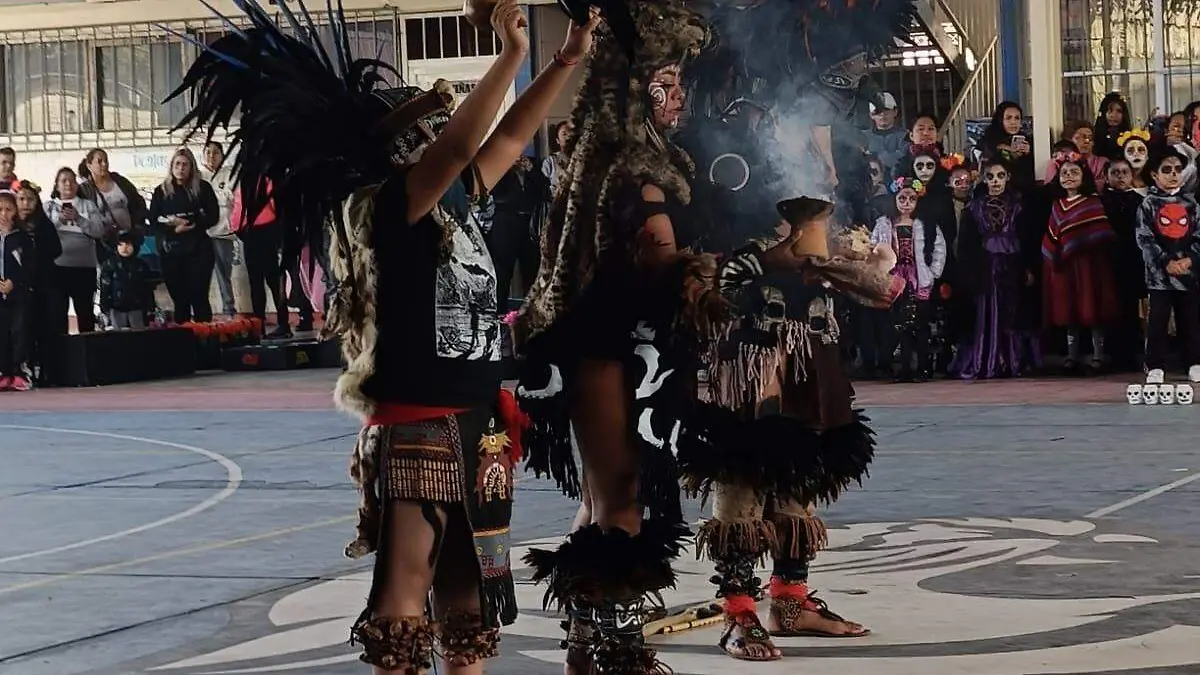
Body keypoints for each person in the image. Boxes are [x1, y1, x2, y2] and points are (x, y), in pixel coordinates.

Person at [168, 0, 600, 672]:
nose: (442, 133)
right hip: (421, 416)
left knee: (469, 596)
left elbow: (509, 138)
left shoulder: (454, 199)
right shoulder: (385, 205)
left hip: (481, 417)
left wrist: (563, 61)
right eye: (428, 126)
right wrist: (509, 53)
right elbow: (463, 144)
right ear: (403, 145)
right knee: (403, 602)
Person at [950, 160, 1039, 379]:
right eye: (991, 177)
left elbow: (1027, 238)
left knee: (1012, 312)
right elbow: (966, 244)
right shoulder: (973, 208)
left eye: (1000, 176)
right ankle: (987, 359)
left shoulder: (1018, 206)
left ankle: (1012, 360)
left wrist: (1027, 266)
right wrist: (970, 272)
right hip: (985, 267)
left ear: (1007, 177)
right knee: (986, 312)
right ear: (983, 179)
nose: (996, 181)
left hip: (1012, 266)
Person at [1041, 148, 1120, 373]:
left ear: (1084, 175)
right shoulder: (1057, 205)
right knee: (1069, 309)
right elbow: (1053, 235)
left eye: (1074, 171)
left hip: (1089, 265)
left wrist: (1080, 245)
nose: (1069, 176)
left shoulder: (1092, 203)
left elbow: (1100, 232)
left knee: (1092, 308)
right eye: (1064, 172)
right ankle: (1071, 355)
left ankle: (1098, 354)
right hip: (1066, 268)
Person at [1136, 147, 1200, 385]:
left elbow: (1199, 235)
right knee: (1158, 320)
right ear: (1154, 175)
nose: (1173, 174)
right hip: (1159, 275)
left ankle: (1194, 361)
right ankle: (1154, 364)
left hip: (1189, 272)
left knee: (1190, 318)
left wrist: (1190, 259)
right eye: (1166, 170)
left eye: (1177, 170)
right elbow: (1144, 238)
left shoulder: (1191, 204)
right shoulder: (1148, 204)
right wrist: (1165, 261)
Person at [872, 176, 946, 381]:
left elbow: (939, 249)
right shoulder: (884, 223)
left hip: (918, 278)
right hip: (894, 278)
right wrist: (879, 271)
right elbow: (873, 248)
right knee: (898, 325)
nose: (906, 203)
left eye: (911, 199)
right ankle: (902, 367)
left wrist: (933, 273)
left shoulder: (926, 224)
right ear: (894, 200)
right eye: (902, 199)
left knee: (920, 324)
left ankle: (922, 367)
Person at [149, 147, 219, 324]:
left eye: (185, 165)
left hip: (198, 248)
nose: (181, 168)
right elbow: (154, 220)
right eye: (177, 164)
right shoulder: (161, 191)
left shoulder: (202, 188)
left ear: (191, 168)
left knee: (199, 296)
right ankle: (183, 342)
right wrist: (173, 229)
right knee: (180, 300)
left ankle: (205, 340)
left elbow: (213, 216)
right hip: (172, 250)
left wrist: (192, 224)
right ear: (172, 166)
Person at [13, 180, 62, 384]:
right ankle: (25, 368)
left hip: (45, 283)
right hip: (20, 285)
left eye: (30, 200)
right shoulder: (13, 227)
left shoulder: (44, 224)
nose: (25, 204)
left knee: (47, 327)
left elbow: (56, 250)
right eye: (21, 199)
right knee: (24, 328)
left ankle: (48, 370)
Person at [47, 167, 106, 333]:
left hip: (84, 268)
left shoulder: (87, 205)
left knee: (85, 314)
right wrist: (59, 220)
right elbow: (43, 234)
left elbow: (98, 230)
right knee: (58, 314)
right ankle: (61, 354)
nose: (68, 184)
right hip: (57, 268)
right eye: (64, 181)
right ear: (57, 185)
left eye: (72, 180)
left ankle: (87, 354)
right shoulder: (48, 207)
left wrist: (78, 219)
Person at [77, 147, 150, 257]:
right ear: (89, 165)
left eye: (106, 160)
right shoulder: (85, 190)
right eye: (99, 161)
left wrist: (138, 226)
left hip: (128, 240)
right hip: (104, 244)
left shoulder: (120, 181)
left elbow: (138, 202)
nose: (104, 164)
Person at [0, 190, 35, 391]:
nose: (4, 214)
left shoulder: (22, 238)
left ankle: (19, 372)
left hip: (18, 294)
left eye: (8, 209)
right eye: (0, 210)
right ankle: (4, 372)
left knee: (19, 331)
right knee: (2, 332)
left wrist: (14, 282)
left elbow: (30, 266)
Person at [201, 141, 239, 317]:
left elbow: (231, 198)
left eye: (215, 153)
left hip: (224, 231)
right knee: (202, 275)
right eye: (208, 153)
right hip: (202, 233)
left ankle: (228, 308)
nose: (211, 156)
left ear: (222, 156)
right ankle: (202, 310)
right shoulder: (199, 177)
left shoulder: (230, 174)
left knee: (224, 273)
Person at [99, 231, 153, 329]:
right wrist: (104, 304)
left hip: (137, 306)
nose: (124, 248)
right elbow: (105, 286)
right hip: (116, 307)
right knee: (119, 336)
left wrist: (150, 305)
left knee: (139, 333)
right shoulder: (109, 264)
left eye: (128, 244)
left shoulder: (141, 265)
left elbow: (147, 287)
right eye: (120, 245)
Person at [866, 92, 908, 172]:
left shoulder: (905, 135)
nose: (882, 114)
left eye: (886, 110)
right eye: (877, 111)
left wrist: (876, 156)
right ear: (871, 115)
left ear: (895, 111)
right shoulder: (864, 138)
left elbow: (904, 159)